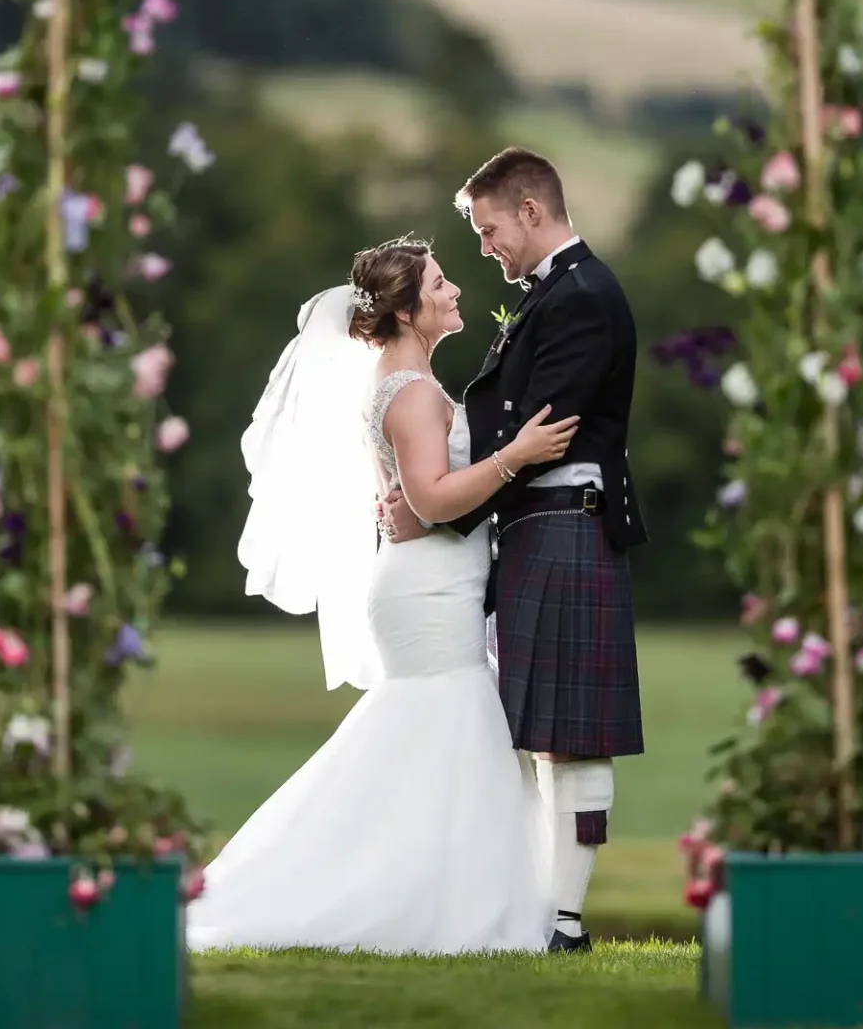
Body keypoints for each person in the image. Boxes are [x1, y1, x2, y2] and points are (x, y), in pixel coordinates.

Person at [185, 236, 578, 955]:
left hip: (429, 580)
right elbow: (429, 498)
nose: (454, 289)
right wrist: (515, 456)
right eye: (439, 282)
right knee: (443, 725)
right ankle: (410, 904)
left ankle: (439, 899)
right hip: (427, 590)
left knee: (439, 734)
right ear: (405, 309)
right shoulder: (414, 391)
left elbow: (410, 494)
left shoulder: (403, 382)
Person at [384, 147, 647, 954]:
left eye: (490, 229)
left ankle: (563, 920)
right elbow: (515, 436)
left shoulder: (584, 297)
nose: (486, 247)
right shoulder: (557, 294)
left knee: (573, 732)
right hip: (539, 528)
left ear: (531, 211)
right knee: (541, 731)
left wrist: (434, 510)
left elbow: (540, 432)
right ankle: (544, 908)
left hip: (566, 518)